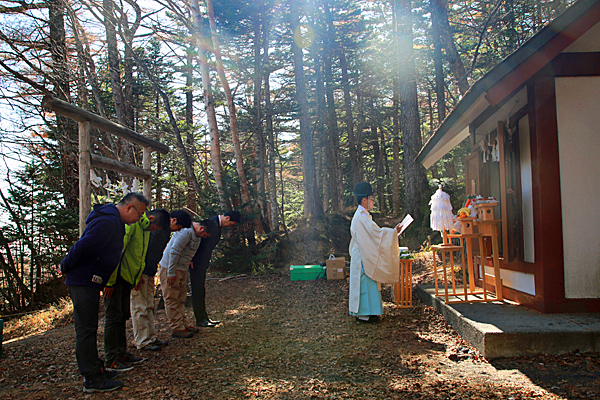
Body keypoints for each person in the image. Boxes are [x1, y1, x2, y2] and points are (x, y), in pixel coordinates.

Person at [60, 192, 148, 393]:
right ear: (129, 208)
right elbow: (84, 246)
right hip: (83, 279)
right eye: (139, 214)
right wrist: (65, 265)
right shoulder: (109, 221)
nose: (138, 220)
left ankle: (96, 369)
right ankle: (91, 378)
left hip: (92, 280)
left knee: (90, 328)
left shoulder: (113, 221)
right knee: (86, 330)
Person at [103, 208, 170, 372]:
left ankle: (121, 353)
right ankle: (111, 359)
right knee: (114, 318)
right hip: (119, 277)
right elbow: (118, 251)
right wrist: (109, 281)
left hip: (131, 277)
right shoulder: (132, 226)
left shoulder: (145, 230)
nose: (153, 231)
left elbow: (141, 256)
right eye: (154, 228)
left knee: (122, 315)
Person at [131, 210, 192, 352]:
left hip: (149, 271)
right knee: (140, 307)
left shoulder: (164, 232)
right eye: (180, 227)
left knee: (148, 305)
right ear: (174, 220)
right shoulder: (156, 230)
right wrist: (138, 273)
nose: (179, 230)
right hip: (141, 273)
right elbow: (141, 251)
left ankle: (150, 337)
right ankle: (142, 340)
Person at [349, 182, 402, 323]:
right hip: (363, 257)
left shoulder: (363, 215)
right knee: (364, 284)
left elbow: (374, 234)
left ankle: (370, 312)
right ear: (364, 200)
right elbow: (376, 234)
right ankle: (364, 314)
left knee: (369, 283)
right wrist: (393, 232)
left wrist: (392, 232)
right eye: (372, 199)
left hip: (364, 254)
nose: (373, 202)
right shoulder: (361, 217)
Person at [159, 219, 211, 338]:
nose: (204, 237)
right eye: (204, 235)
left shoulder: (196, 235)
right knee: (172, 298)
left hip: (181, 269)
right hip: (170, 268)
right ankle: (177, 328)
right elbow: (174, 251)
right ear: (201, 229)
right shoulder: (186, 232)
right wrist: (170, 272)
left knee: (181, 297)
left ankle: (183, 324)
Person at [190, 210, 241, 328]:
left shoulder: (216, 225)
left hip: (202, 263)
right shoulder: (211, 223)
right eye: (231, 224)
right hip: (196, 263)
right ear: (227, 218)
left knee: (201, 290)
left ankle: (204, 317)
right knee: (197, 291)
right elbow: (197, 241)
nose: (230, 227)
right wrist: (191, 258)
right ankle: (200, 319)